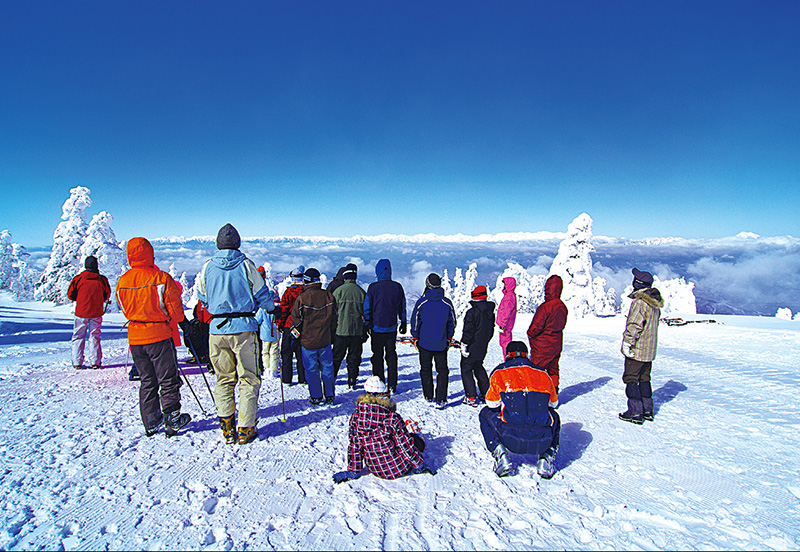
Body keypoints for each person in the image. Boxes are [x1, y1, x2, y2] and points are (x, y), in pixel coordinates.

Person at [196, 223, 276, 445]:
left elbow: (202, 296)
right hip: (244, 328)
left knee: (223, 378)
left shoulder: (207, 267)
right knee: (248, 378)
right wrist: (270, 308)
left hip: (217, 328)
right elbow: (262, 293)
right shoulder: (246, 265)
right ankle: (246, 428)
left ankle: (227, 428)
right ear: (237, 243)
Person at [116, 237, 192, 437]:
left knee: (147, 380)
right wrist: (182, 321)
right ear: (149, 253)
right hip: (158, 334)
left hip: (135, 337)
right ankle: (172, 418)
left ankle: (151, 422)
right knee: (168, 378)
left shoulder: (123, 281)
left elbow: (123, 308)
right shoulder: (160, 277)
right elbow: (173, 305)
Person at [479, 341, 560, 479]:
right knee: (555, 417)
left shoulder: (500, 372)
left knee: (485, 413)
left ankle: (501, 455)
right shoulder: (543, 374)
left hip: (510, 437)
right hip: (542, 438)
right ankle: (546, 458)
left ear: (508, 355)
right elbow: (553, 403)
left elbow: (491, 404)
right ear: (526, 355)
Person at [333, 376, 434, 483]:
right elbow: (404, 445)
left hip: (375, 469)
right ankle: (417, 435)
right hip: (399, 468)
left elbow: (355, 445)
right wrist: (419, 465)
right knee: (414, 440)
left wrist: (353, 471)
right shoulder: (392, 418)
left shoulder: (356, 417)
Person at [619, 268, 663, 425]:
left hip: (637, 350)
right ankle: (647, 410)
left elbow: (634, 325)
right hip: (649, 351)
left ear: (637, 284)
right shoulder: (654, 303)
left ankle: (635, 412)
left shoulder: (640, 303)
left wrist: (627, 343)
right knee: (644, 379)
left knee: (631, 378)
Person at [291, 268, 338, 405]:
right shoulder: (329, 297)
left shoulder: (302, 299)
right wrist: (331, 333)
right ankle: (329, 395)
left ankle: (316, 396)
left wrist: (295, 335)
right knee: (327, 368)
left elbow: (297, 321)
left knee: (312, 370)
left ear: (306, 281)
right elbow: (334, 318)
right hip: (325, 339)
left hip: (308, 341)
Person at [410, 273, 457, 409]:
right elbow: (452, 322)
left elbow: (415, 322)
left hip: (424, 342)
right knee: (442, 371)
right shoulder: (446, 303)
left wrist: (415, 336)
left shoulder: (422, 302)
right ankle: (441, 398)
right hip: (442, 343)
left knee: (426, 369)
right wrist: (449, 337)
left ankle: (428, 395)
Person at [363, 259, 407, 394]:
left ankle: (379, 383)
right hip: (391, 327)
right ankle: (392, 384)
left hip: (376, 327)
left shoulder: (373, 288)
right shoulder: (397, 287)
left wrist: (366, 323)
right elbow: (402, 306)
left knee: (377, 356)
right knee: (391, 355)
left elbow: (367, 308)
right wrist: (403, 322)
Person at [67, 255, 111, 369]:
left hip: (81, 312)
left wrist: (81, 299)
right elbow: (106, 294)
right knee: (94, 336)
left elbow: (70, 295)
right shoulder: (101, 279)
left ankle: (77, 362)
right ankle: (95, 362)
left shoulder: (78, 279)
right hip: (96, 312)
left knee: (78, 336)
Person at [526, 275, 568, 391]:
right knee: (553, 369)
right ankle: (553, 393)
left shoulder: (545, 307)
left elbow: (535, 327)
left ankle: (537, 394)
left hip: (542, 345)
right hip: (557, 343)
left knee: (537, 370)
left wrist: (530, 334)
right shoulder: (562, 306)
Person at [332, 264, 367, 389]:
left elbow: (332, 311)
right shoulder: (361, 292)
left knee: (336, 357)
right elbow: (366, 313)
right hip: (356, 331)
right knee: (354, 358)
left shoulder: (338, 291)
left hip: (341, 330)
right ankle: (352, 380)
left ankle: (332, 378)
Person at [459, 285, 495, 407]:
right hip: (482, 345)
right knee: (478, 366)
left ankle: (471, 396)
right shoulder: (490, 311)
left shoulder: (472, 312)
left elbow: (468, 331)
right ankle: (485, 393)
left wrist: (464, 344)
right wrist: (484, 342)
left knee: (466, 368)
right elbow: (491, 331)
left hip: (472, 345)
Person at [277, 266, 306, 385]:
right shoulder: (306, 292)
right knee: (301, 353)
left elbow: (283, 309)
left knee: (286, 352)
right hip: (302, 326)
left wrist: (280, 324)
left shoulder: (288, 292)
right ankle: (302, 378)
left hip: (289, 325)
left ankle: (286, 378)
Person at [255, 266, 281, 378]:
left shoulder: (263, 308)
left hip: (264, 334)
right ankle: (274, 370)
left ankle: (266, 368)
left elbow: (258, 319)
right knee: (274, 352)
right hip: (275, 333)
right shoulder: (278, 308)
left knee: (265, 352)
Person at [496, 276, 517, 357]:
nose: (503, 286)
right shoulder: (509, 295)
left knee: (505, 343)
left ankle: (507, 358)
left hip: (505, 325)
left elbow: (506, 312)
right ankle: (507, 358)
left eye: (505, 284)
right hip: (506, 324)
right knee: (504, 342)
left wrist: (502, 325)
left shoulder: (509, 296)